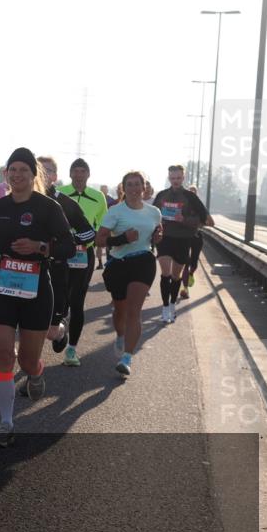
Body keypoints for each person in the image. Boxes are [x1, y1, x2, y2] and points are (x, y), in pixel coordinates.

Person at [0, 148, 74, 448]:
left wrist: (40, 247)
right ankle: (6, 423)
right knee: (4, 355)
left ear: (33, 175)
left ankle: (36, 372)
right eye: (12, 170)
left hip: (36, 288)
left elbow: (68, 247)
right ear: (6, 174)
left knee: (28, 361)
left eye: (23, 171)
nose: (17, 175)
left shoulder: (48, 207)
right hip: (3, 286)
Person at [96, 171, 163, 376]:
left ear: (144, 187)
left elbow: (157, 236)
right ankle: (120, 335)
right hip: (118, 264)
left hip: (143, 261)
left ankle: (127, 358)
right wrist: (122, 238)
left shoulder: (154, 212)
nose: (134, 188)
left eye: (137, 184)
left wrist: (158, 237)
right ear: (124, 188)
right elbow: (99, 241)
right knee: (120, 311)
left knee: (135, 310)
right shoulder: (115, 212)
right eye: (130, 185)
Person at [38, 157, 95, 368]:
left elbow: (90, 232)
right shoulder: (18, 199)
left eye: (48, 170)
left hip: (68, 265)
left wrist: (67, 242)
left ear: (55, 175)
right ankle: (32, 369)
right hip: (29, 271)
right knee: (29, 322)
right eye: (39, 169)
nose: (43, 174)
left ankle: (65, 337)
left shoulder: (64, 202)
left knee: (72, 306)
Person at [56, 157, 107, 366]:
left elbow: (103, 225)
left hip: (84, 254)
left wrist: (96, 242)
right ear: (70, 174)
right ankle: (59, 330)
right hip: (60, 254)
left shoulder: (98, 197)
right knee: (61, 301)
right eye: (75, 171)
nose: (78, 175)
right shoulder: (60, 194)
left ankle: (72, 350)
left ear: (88, 174)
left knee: (77, 302)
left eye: (82, 171)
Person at [151, 165, 211, 323]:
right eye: (172, 178)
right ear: (168, 178)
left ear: (183, 178)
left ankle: (172, 306)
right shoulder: (162, 195)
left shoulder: (190, 197)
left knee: (176, 276)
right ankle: (164, 309)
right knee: (165, 273)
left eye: (178, 178)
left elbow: (203, 220)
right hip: (165, 239)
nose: (175, 181)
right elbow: (152, 215)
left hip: (183, 239)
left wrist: (183, 220)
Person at [179, 184, 213, 300]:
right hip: (183, 236)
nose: (192, 194)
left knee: (193, 264)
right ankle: (185, 289)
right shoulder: (183, 205)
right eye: (190, 192)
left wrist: (199, 223)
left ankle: (191, 275)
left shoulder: (200, 207)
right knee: (185, 263)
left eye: (194, 192)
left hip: (197, 236)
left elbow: (211, 222)